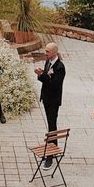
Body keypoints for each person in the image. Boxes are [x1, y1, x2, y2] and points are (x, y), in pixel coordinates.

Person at [34, 42, 66, 171]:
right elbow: (47, 79)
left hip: (53, 100)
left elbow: (54, 85)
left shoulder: (60, 67)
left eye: (47, 51)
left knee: (52, 126)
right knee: (50, 125)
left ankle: (51, 155)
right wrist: (42, 74)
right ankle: (51, 150)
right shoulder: (48, 62)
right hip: (47, 98)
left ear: (54, 52)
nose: (45, 53)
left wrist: (42, 76)